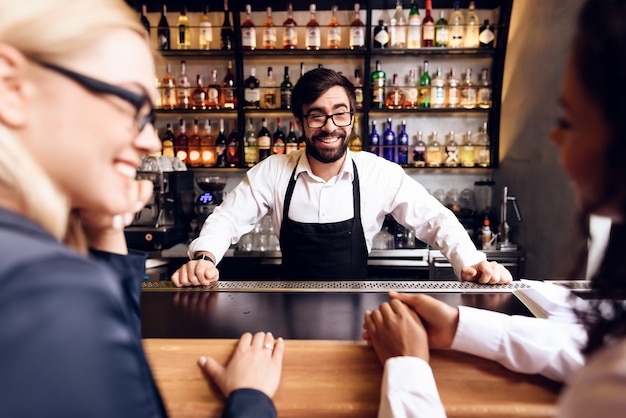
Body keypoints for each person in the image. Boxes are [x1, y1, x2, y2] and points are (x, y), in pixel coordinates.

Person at [0, 0, 282, 417]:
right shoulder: (43, 287)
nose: (151, 140)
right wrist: (251, 399)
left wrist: (103, 226)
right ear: (12, 87)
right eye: (131, 104)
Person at [362, 0, 626, 416]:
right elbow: (591, 346)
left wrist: (407, 364)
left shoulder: (612, 386)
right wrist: (460, 326)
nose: (554, 137)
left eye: (570, 121)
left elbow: (435, 217)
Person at [173, 68, 512, 286]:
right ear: (300, 123)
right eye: (316, 116)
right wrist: (204, 258)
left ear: (352, 118)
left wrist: (471, 262)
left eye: (339, 114)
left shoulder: (377, 172)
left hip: (357, 309)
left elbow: (436, 219)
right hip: (287, 309)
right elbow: (227, 219)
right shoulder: (273, 171)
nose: (330, 126)